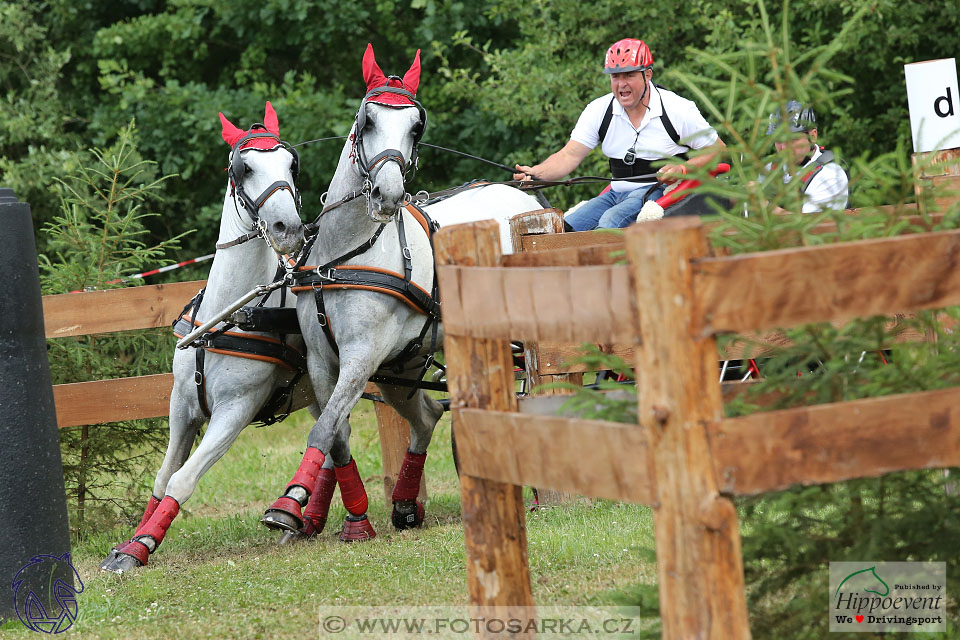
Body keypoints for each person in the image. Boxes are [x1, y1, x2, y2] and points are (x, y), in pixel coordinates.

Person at [513, 38, 725, 230]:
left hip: (657, 192)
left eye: (629, 75)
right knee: (564, 228)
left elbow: (719, 151)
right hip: (615, 194)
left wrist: (682, 168)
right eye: (615, 76)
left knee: (609, 222)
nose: (621, 84)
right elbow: (569, 156)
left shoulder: (678, 109)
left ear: (647, 75)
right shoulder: (598, 110)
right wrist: (536, 173)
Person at [764, 100, 849, 213]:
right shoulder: (770, 168)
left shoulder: (830, 175)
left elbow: (811, 227)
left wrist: (765, 205)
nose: (784, 148)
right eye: (778, 140)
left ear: (813, 136)